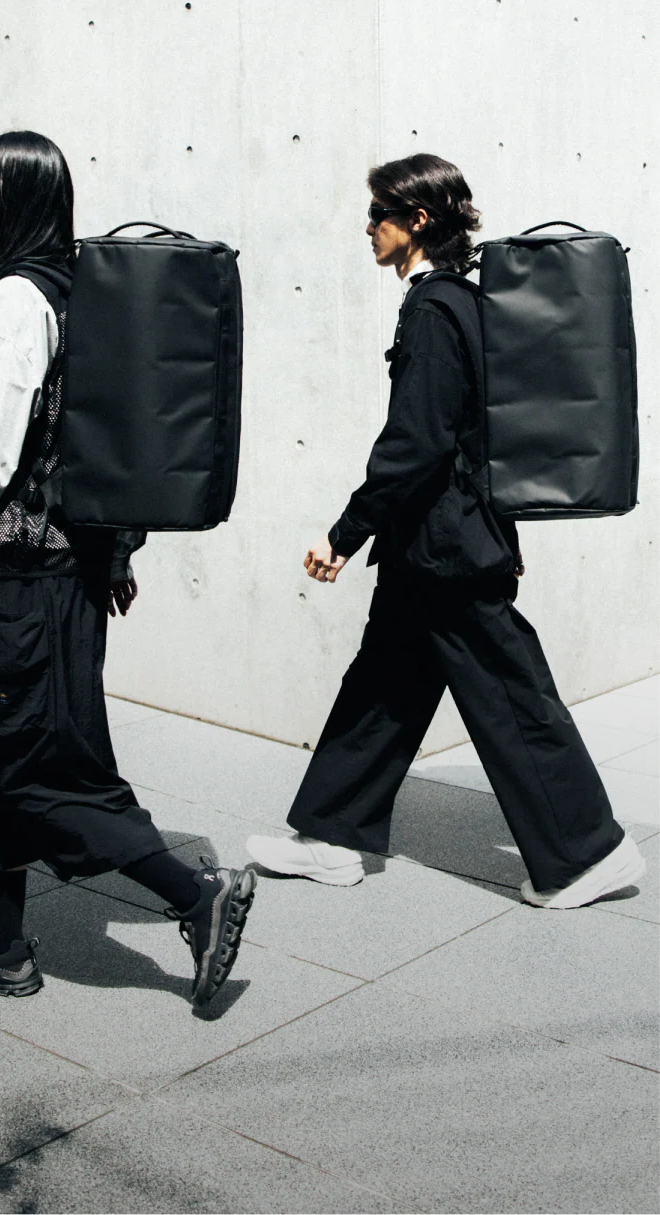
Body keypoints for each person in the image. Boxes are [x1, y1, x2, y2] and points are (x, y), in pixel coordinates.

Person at [0, 131, 255, 1006]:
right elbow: (98, 437)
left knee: (41, 770)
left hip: (26, 582)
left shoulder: (17, 299)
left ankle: (196, 896)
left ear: (13, 197)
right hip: (67, 573)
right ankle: (4, 944)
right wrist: (115, 550)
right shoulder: (73, 288)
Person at [247, 153, 645, 909]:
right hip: (436, 543)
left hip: (445, 547)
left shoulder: (432, 309)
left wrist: (343, 532)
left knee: (509, 695)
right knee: (382, 687)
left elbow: (417, 440)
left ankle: (586, 852)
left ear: (416, 221)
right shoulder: (464, 301)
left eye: (378, 215)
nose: (368, 228)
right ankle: (331, 836)